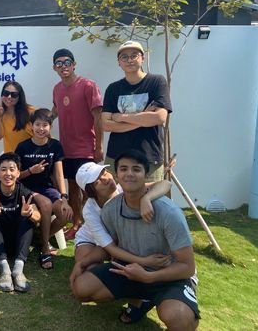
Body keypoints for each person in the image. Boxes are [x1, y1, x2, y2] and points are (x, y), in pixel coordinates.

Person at [72, 150, 199, 330]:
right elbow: (109, 245)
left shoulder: (168, 212)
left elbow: (187, 266)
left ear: (145, 174)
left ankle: (168, 300)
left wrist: (149, 277)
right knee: (82, 288)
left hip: (167, 274)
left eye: (136, 169)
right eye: (123, 169)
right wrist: (82, 263)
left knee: (179, 318)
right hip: (130, 270)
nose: (129, 173)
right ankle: (141, 299)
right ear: (118, 175)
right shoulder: (109, 209)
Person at [70, 162, 172, 323]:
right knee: (88, 272)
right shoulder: (89, 210)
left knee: (122, 266)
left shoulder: (124, 188)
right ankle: (129, 289)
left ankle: (139, 298)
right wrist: (81, 264)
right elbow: (109, 247)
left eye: (104, 172)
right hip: (92, 240)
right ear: (90, 191)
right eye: (97, 180)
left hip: (119, 239)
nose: (106, 179)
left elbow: (165, 183)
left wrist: (147, 197)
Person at [102, 41, 172, 181]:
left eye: (134, 55)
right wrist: (143, 119)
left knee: (149, 200)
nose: (129, 60)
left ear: (142, 58)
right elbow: (106, 124)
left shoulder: (157, 82)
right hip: (116, 157)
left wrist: (121, 117)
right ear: (119, 62)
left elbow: (159, 117)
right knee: (114, 199)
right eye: (124, 57)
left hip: (149, 157)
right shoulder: (113, 88)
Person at [52, 48, 104, 240]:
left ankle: (94, 225)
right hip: (66, 149)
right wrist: (41, 121)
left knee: (89, 189)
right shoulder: (57, 89)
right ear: (54, 68)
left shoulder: (88, 86)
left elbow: (98, 118)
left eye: (67, 62)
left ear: (74, 64)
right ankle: (77, 224)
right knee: (73, 187)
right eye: (59, 63)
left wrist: (99, 147)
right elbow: (55, 110)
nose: (63, 66)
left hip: (86, 148)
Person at [15, 108, 73, 269]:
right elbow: (15, 176)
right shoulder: (23, 147)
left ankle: (40, 239)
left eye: (45, 125)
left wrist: (65, 198)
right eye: (38, 124)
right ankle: (45, 249)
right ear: (31, 126)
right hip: (26, 189)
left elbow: (59, 174)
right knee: (46, 205)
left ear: (50, 127)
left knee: (65, 214)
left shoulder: (55, 146)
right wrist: (30, 171)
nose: (41, 128)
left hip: (47, 189)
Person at [0, 152, 41, 293]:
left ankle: (18, 270)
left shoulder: (24, 191)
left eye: (12, 169)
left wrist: (30, 213)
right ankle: (4, 269)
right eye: (3, 169)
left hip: (14, 243)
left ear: (18, 173)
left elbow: (38, 217)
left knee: (28, 218)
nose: (8, 173)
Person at [0, 81, 34, 153]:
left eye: (14, 95)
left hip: (30, 158)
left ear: (19, 97)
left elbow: (43, 135)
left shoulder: (31, 111)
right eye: (6, 93)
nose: (9, 97)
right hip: (12, 160)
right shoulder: (0, 114)